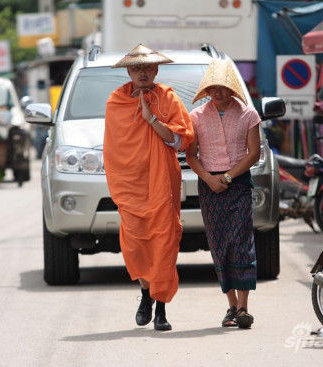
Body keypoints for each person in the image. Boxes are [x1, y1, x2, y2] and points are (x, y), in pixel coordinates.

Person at [103, 44, 194, 331]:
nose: (142, 72)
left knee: (164, 243)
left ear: (156, 70)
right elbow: (113, 148)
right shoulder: (115, 102)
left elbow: (181, 140)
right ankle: (146, 295)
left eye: (148, 68)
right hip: (130, 187)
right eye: (137, 68)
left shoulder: (167, 98)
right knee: (136, 246)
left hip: (161, 184)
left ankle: (162, 309)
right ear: (129, 71)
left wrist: (151, 118)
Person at [185, 59, 260, 329]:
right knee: (219, 244)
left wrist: (228, 177)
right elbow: (191, 155)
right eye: (213, 88)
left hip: (238, 183)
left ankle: (243, 308)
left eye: (224, 87)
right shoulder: (195, 117)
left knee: (241, 242)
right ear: (206, 91)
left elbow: (254, 153)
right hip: (209, 186)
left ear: (233, 89)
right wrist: (209, 179)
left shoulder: (248, 114)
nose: (218, 92)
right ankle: (230, 305)